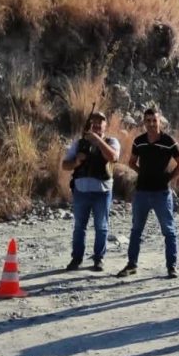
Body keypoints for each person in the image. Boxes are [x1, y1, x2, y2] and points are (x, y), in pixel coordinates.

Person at [119, 108, 179, 279]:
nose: (151, 124)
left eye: (154, 120)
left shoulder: (168, 141)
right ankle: (131, 265)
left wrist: (168, 177)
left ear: (160, 122)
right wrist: (143, 173)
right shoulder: (139, 141)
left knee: (168, 230)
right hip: (141, 192)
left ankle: (172, 267)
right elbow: (131, 162)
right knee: (136, 230)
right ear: (144, 122)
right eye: (148, 120)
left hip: (161, 194)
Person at [61, 111, 121, 271]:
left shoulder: (111, 141)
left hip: (102, 193)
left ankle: (98, 259)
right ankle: (76, 259)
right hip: (81, 192)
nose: (97, 125)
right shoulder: (79, 143)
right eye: (94, 122)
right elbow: (64, 165)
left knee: (101, 227)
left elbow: (113, 157)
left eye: (100, 122)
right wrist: (76, 161)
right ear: (89, 125)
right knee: (79, 227)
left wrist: (98, 141)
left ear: (105, 126)